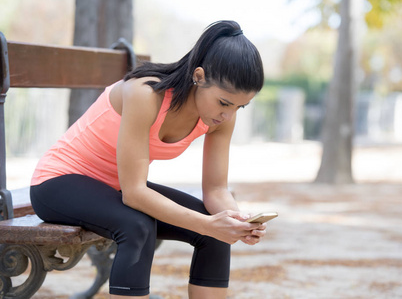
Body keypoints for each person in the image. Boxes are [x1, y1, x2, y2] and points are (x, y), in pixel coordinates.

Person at [30, 20, 266, 299]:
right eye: (224, 103)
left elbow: (216, 190)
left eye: (240, 106)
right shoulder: (145, 94)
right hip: (58, 183)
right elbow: (135, 194)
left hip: (113, 188)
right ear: (199, 76)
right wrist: (209, 224)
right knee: (137, 225)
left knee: (214, 227)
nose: (228, 115)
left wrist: (234, 220)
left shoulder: (221, 117)